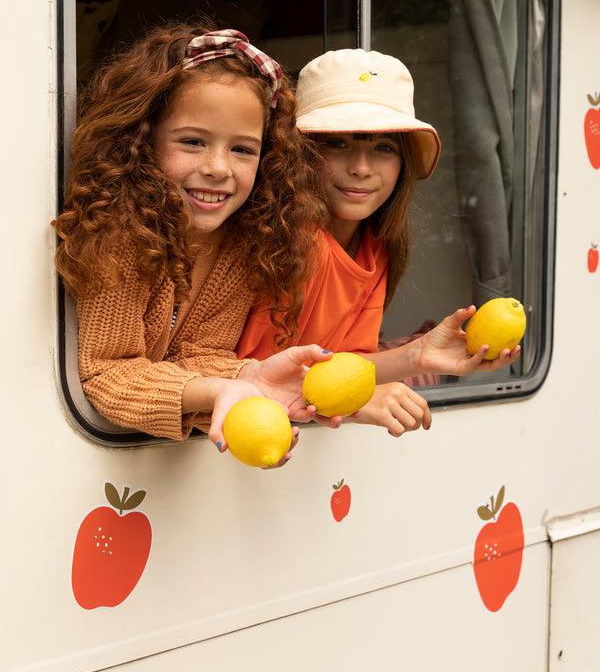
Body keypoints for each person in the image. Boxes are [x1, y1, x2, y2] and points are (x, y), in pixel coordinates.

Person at [53, 24, 339, 463]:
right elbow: (105, 374)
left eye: (243, 150)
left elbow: (199, 355)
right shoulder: (120, 237)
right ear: (141, 139)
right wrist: (217, 389)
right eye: (192, 142)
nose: (217, 168)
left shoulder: (244, 244)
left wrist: (251, 377)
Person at [237, 49, 521, 433]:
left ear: (403, 163)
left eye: (383, 148)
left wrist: (419, 355)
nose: (360, 167)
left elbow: (345, 364)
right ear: (298, 152)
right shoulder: (280, 241)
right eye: (337, 144)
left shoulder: (375, 247)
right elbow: (249, 377)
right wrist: (356, 401)